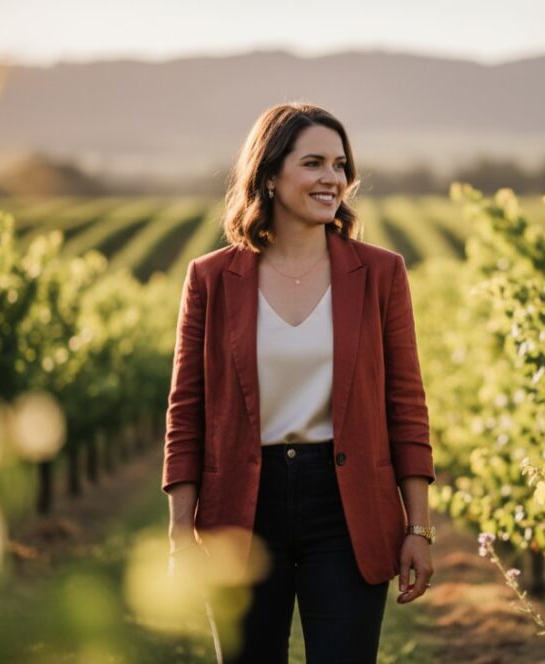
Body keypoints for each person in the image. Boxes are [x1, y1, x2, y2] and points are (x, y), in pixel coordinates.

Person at [161, 102, 437, 663]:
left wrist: (420, 527)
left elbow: (405, 405)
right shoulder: (210, 280)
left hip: (347, 506)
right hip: (241, 508)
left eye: (340, 165)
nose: (332, 178)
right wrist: (178, 531)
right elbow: (186, 411)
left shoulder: (381, 274)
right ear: (268, 174)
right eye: (313, 163)